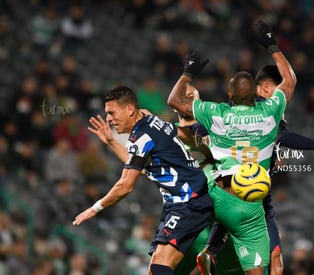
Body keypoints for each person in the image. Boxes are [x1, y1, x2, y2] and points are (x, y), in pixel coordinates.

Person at [167, 20, 296, 275]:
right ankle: (210, 251)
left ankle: (197, 249)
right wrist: (272, 45)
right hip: (250, 206)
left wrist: (187, 73)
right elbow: (290, 81)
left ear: (229, 95)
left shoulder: (218, 113)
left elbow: (174, 100)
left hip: (216, 196)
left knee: (200, 163)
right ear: (256, 96)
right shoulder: (270, 111)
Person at [72, 86, 214, 275]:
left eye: (111, 112)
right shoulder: (150, 121)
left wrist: (95, 208)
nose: (108, 119)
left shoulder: (142, 137)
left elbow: (125, 186)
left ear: (130, 110)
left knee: (158, 268)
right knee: (156, 270)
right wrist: (112, 142)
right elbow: (138, 169)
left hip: (188, 202)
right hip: (183, 202)